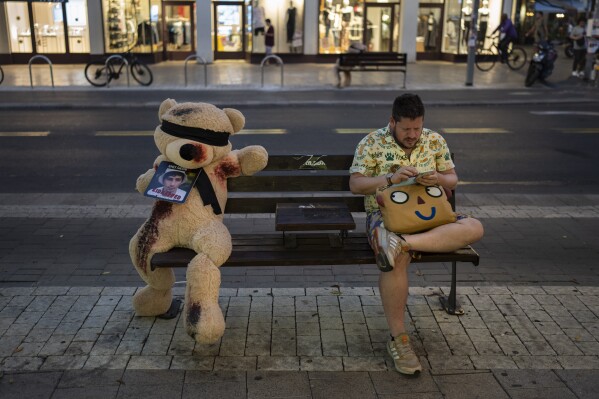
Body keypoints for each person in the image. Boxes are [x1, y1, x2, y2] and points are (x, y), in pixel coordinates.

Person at [349, 94, 484, 375]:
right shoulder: (371, 142)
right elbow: (356, 184)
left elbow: (452, 179)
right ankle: (400, 340)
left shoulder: (434, 140)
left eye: (417, 129)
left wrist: (438, 178)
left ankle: (403, 243)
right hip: (386, 216)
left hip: (432, 215)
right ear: (392, 122)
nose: (412, 135)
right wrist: (389, 178)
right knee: (396, 261)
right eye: (406, 129)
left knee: (475, 227)